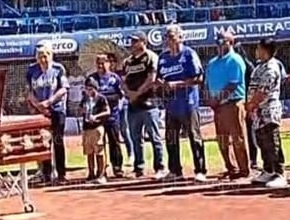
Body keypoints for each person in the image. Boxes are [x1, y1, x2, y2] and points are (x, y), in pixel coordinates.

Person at [157, 25, 207, 182]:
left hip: (188, 103)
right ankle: (175, 170)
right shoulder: (163, 57)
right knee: (171, 137)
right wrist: (161, 83)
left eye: (171, 36)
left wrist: (177, 84)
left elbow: (199, 78)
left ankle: (200, 170)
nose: (168, 40)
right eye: (166, 37)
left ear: (180, 37)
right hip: (171, 105)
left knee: (194, 136)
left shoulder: (189, 54)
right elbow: (159, 77)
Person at [205, 31, 249, 180]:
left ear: (230, 42)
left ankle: (244, 170)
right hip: (217, 107)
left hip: (232, 103)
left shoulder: (235, 60)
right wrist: (210, 99)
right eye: (218, 42)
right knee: (222, 139)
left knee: (238, 138)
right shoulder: (212, 63)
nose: (219, 45)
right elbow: (207, 83)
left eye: (223, 42)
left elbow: (233, 83)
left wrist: (217, 99)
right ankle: (231, 168)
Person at [122, 31, 167, 179]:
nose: (132, 44)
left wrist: (137, 93)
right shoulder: (127, 61)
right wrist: (129, 94)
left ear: (143, 42)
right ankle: (139, 168)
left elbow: (152, 79)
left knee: (154, 137)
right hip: (133, 105)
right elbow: (123, 81)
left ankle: (160, 167)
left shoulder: (151, 57)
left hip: (149, 103)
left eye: (135, 41)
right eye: (131, 41)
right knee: (136, 138)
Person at [26, 42, 69, 184]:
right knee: (43, 143)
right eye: (40, 56)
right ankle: (46, 174)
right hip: (40, 111)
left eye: (45, 56)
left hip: (56, 110)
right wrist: (38, 105)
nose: (43, 59)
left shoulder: (58, 69)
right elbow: (28, 92)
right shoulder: (31, 70)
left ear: (51, 55)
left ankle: (61, 174)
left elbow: (63, 89)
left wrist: (49, 102)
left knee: (57, 141)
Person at [246, 39, 287, 188]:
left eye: (258, 48)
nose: (256, 51)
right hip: (258, 111)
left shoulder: (272, 67)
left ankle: (279, 173)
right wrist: (251, 106)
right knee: (262, 141)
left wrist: (251, 105)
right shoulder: (259, 66)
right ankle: (268, 170)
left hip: (268, 110)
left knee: (272, 141)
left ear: (265, 50)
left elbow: (263, 91)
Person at [88, 54, 125, 178]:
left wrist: (117, 106)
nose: (101, 65)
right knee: (98, 144)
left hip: (112, 116)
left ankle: (117, 167)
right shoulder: (92, 78)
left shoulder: (115, 78)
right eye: (98, 62)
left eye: (103, 62)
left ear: (109, 63)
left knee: (114, 142)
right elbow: (88, 96)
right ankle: (100, 170)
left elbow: (121, 95)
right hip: (97, 117)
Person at [80, 77, 111, 184]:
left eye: (90, 88)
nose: (88, 91)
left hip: (97, 127)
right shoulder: (85, 99)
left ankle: (101, 173)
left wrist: (97, 116)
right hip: (86, 128)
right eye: (87, 88)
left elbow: (107, 111)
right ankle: (91, 173)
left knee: (99, 150)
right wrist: (82, 111)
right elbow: (80, 109)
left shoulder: (101, 98)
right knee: (89, 151)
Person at [234, 42, 258, 170]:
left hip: (248, 101)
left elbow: (253, 86)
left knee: (250, 131)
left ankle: (253, 159)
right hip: (239, 100)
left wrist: (251, 103)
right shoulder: (234, 65)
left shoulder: (248, 66)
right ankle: (244, 160)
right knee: (239, 132)